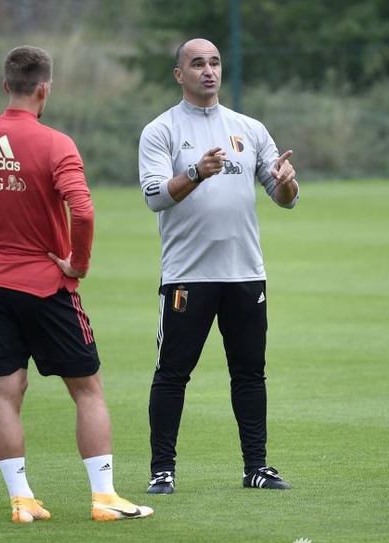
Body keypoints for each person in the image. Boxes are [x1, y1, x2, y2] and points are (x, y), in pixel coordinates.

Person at [0, 46, 153, 523]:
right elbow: (83, 212)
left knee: (6, 394)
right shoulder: (56, 144)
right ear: (45, 88)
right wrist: (78, 264)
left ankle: (22, 501)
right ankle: (105, 499)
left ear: (6, 86)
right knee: (88, 390)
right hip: (47, 287)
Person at [138, 38, 298, 494]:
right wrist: (195, 172)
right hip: (188, 275)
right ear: (179, 74)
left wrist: (287, 182)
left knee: (249, 374)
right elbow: (154, 196)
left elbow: (284, 197)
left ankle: (256, 468)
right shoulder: (161, 130)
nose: (208, 70)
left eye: (214, 62)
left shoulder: (249, 128)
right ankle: (162, 470)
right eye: (197, 64)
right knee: (173, 374)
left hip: (245, 274)